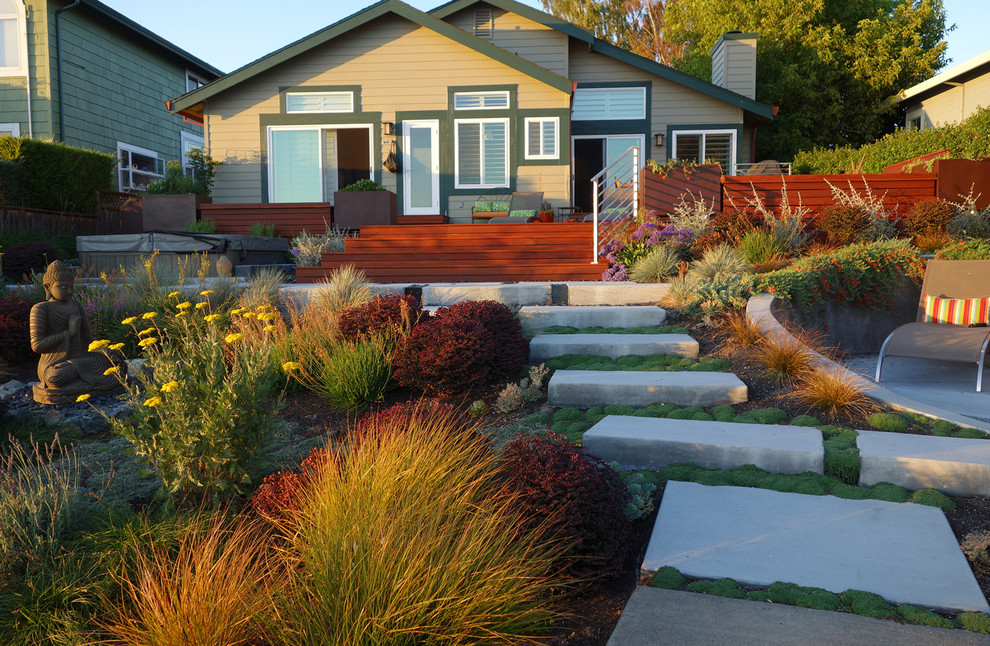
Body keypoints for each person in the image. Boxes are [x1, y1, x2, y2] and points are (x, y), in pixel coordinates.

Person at [30, 260, 126, 404]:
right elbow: (37, 345)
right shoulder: (40, 309)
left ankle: (88, 382)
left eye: (71, 287)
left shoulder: (76, 305)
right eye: (63, 287)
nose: (69, 291)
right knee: (54, 377)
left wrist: (105, 350)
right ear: (48, 287)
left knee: (115, 360)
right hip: (56, 363)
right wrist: (69, 333)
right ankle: (93, 381)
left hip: (84, 358)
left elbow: (87, 337)